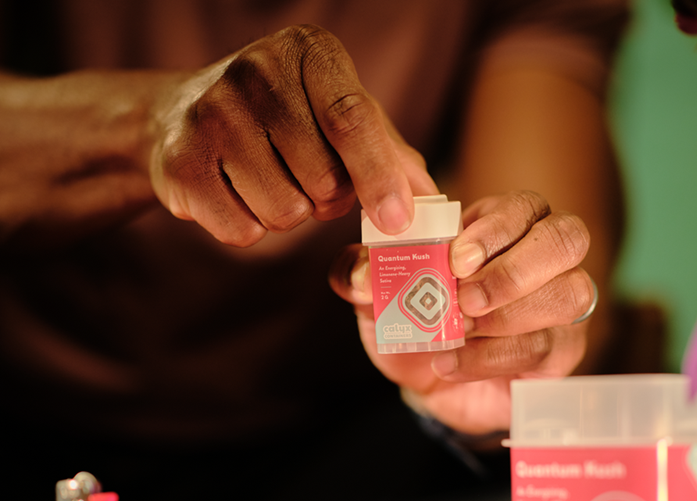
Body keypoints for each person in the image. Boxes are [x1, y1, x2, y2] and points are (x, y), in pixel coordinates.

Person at [0, 1, 628, 498]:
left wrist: (505, 335)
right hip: (33, 417)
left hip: (356, 435)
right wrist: (144, 124)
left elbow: (550, 256)